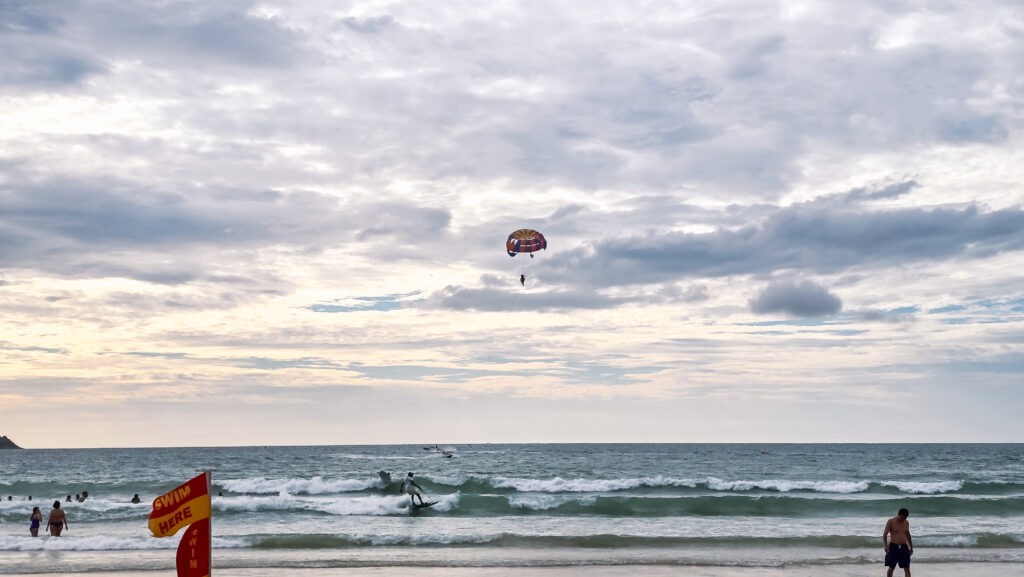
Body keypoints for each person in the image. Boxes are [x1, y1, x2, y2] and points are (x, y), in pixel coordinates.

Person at [883, 508, 913, 577]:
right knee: (891, 567)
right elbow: (885, 534)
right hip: (893, 546)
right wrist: (886, 546)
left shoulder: (906, 522)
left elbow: (908, 535)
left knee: (907, 568)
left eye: (905, 518)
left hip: (904, 547)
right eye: (902, 518)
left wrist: (911, 547)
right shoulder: (891, 521)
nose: (903, 519)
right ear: (898, 514)